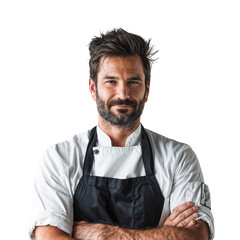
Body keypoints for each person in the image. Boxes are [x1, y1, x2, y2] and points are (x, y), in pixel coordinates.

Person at [29, 28, 214, 240]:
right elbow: (48, 236)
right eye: (111, 81)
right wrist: (164, 233)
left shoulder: (179, 156)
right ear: (92, 88)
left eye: (133, 82)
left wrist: (100, 233)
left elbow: (195, 235)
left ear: (147, 89)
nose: (123, 94)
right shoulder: (60, 157)